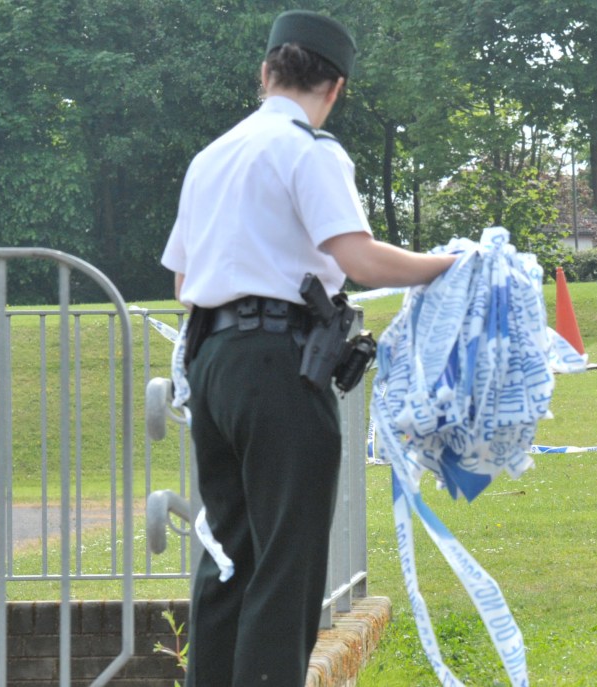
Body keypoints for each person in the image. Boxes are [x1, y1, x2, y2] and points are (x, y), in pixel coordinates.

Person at [160, 10, 455, 686]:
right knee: (286, 561)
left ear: (266, 73)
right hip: (280, 363)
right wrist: (447, 264)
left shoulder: (211, 156)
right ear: (337, 87)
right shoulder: (309, 150)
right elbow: (358, 258)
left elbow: (182, 280)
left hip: (212, 362)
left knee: (228, 551)